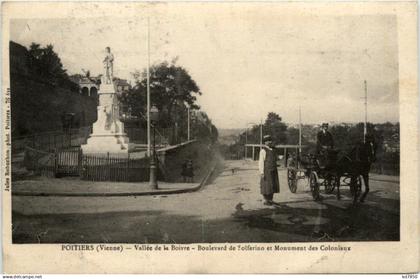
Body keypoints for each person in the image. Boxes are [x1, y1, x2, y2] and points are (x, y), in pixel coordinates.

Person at [258, 135, 280, 205]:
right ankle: (266, 200)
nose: (270, 142)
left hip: (273, 169)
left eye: (270, 140)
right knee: (266, 185)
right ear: (265, 142)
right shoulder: (263, 151)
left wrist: (280, 158)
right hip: (266, 170)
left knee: (273, 184)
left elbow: (275, 158)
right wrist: (261, 172)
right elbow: (261, 162)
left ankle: (270, 199)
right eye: (268, 141)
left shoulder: (273, 149)